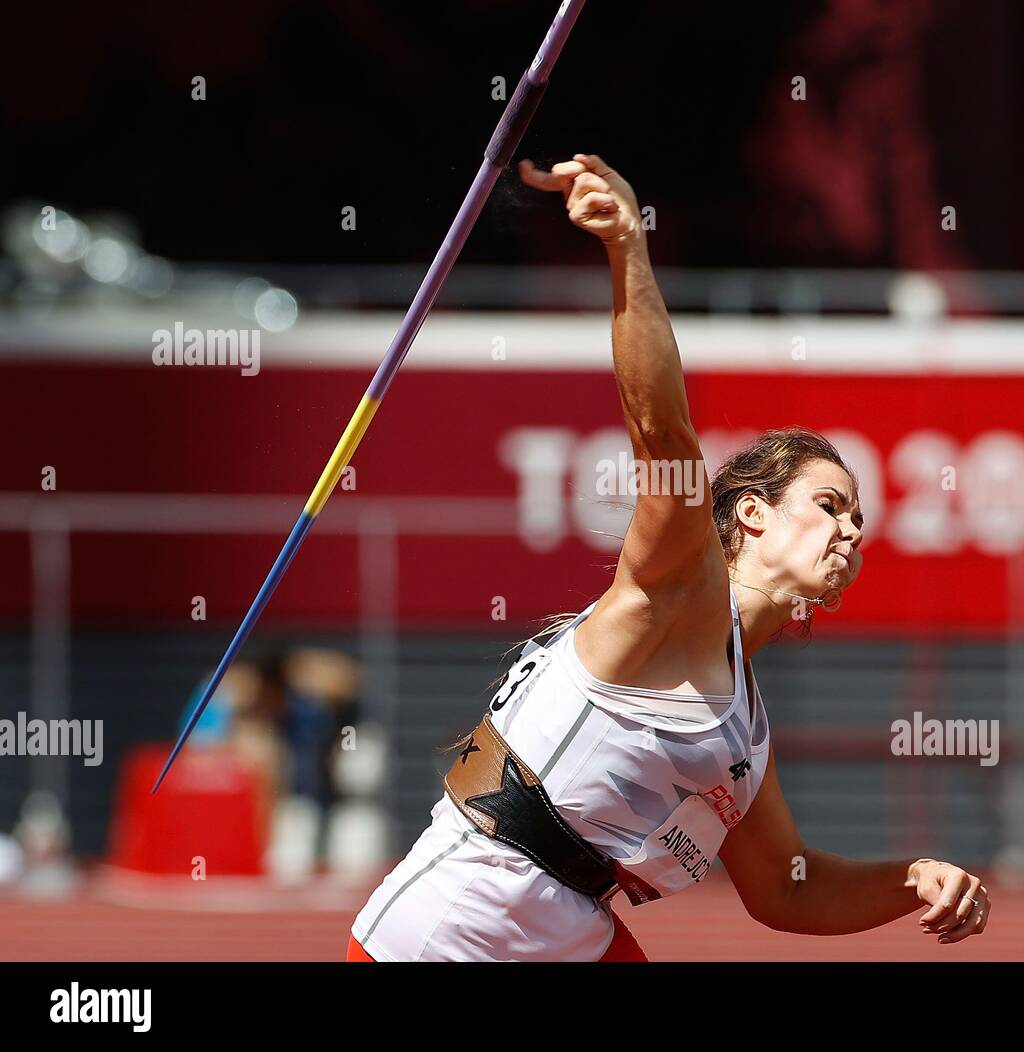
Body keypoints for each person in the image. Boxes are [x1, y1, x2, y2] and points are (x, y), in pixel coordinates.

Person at [348, 154, 990, 961]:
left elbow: (789, 889)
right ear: (751, 515)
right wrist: (629, 250)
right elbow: (665, 437)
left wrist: (917, 877)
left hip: (567, 932)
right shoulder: (680, 592)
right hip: (462, 922)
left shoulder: (747, 728)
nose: (853, 529)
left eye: (860, 517)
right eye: (830, 504)